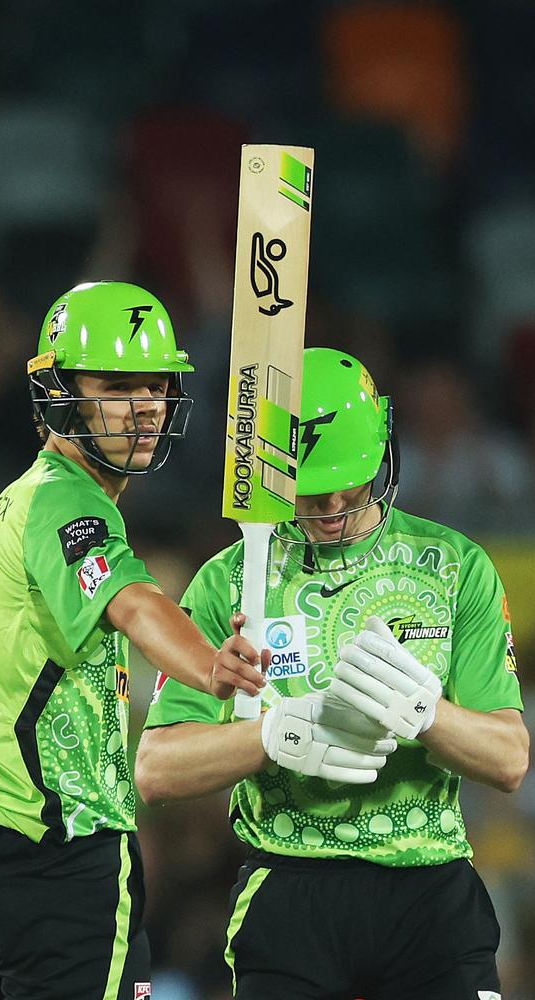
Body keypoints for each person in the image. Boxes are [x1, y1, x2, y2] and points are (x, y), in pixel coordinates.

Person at [136, 346, 529, 1000]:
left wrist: (427, 713)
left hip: (429, 884)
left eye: (354, 478)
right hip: (291, 883)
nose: (338, 504)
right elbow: (157, 768)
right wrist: (273, 734)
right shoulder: (229, 581)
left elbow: (510, 759)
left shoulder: (455, 566)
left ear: (384, 445)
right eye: (314, 490)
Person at [0, 280, 267, 1000]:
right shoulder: (67, 501)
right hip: (56, 849)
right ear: (60, 393)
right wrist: (212, 666)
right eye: (115, 387)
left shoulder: (27, 496)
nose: (143, 408)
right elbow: (133, 603)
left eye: (155, 387)